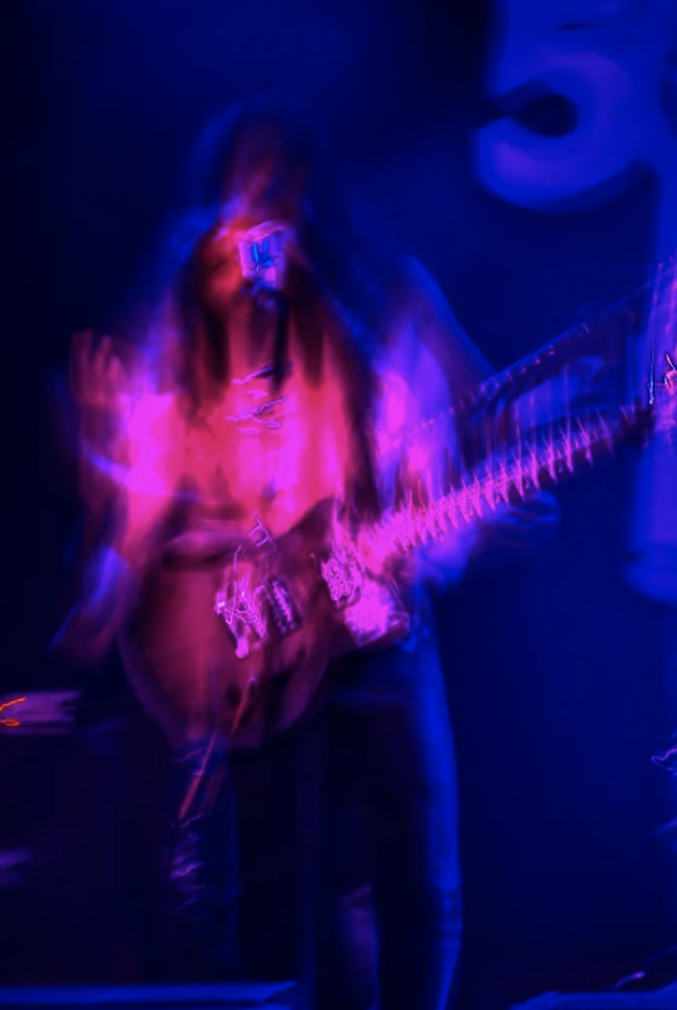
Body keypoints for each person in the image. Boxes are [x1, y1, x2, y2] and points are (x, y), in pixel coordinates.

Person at [51, 98, 557, 1010]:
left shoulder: (386, 305)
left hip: (381, 628)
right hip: (264, 648)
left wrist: (473, 520)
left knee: (415, 880)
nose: (257, 223)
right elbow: (149, 478)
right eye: (240, 197)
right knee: (286, 886)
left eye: (277, 192)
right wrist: (106, 571)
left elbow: (459, 438)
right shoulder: (187, 320)